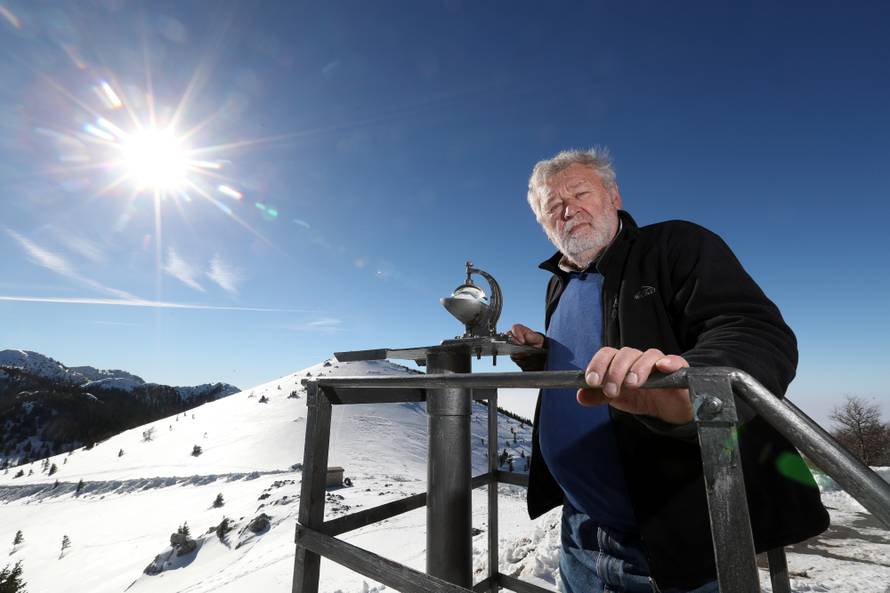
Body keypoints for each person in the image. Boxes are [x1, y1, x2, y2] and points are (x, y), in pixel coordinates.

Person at [509, 148, 829, 593]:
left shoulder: (676, 245)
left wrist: (690, 387)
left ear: (613, 195)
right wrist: (543, 354)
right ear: (543, 224)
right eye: (552, 207)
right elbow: (591, 361)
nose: (568, 209)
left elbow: (751, 329)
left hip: (673, 539)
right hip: (579, 533)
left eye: (581, 192)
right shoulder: (558, 283)